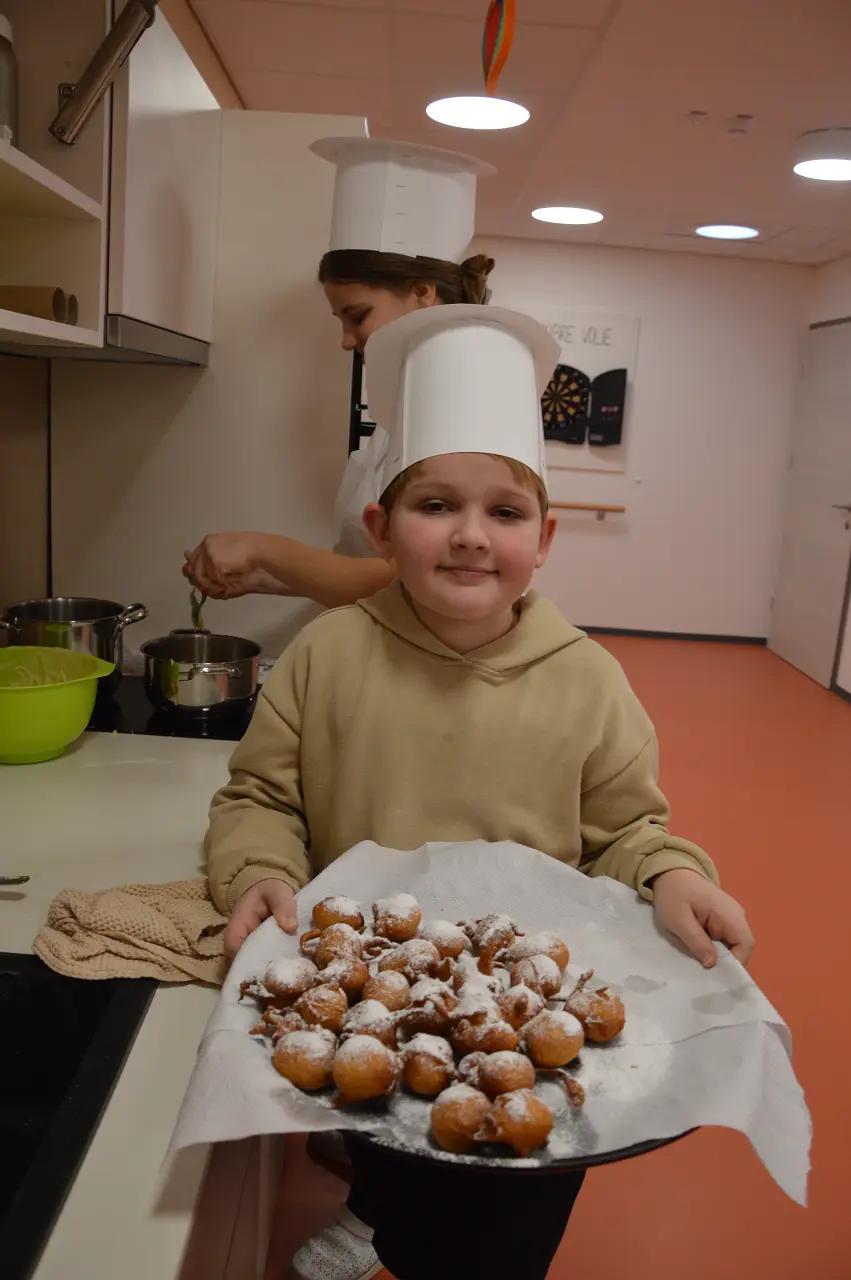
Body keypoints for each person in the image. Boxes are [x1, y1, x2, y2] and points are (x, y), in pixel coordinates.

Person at [205, 305, 754, 1280]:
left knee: (497, 1218)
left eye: (504, 513)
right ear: (380, 528)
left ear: (543, 539)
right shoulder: (327, 656)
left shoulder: (587, 680)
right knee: (386, 1132)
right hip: (373, 990)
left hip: (521, 1010)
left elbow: (627, 827)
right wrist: (256, 868)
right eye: (435, 505)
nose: (469, 536)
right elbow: (261, 797)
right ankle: (377, 1212)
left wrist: (671, 873)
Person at [183, 135, 495, 609]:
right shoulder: (403, 403)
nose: (347, 340)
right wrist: (262, 578)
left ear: (422, 294)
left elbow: (416, 580)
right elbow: (363, 565)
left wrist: (263, 547)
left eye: (357, 315)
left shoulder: (462, 409)